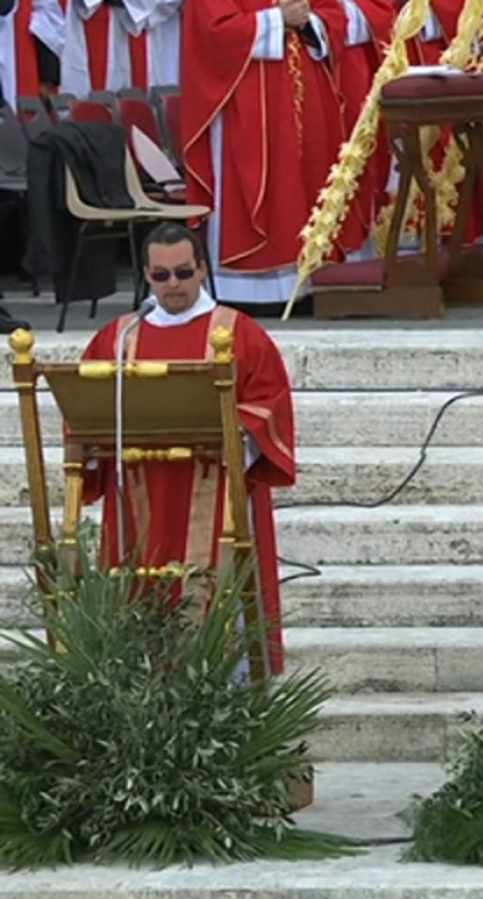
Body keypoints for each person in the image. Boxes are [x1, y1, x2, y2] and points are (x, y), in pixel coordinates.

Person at [80, 223, 297, 675]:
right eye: (161, 276)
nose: (173, 284)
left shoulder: (239, 333)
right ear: (146, 276)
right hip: (139, 491)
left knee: (215, 587)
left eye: (183, 272)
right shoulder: (119, 337)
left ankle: (228, 684)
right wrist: (93, 445)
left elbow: (269, 405)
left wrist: (231, 436)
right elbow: (84, 408)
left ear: (202, 270)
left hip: (216, 488)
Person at [181, 0, 347, 308]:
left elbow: (333, 14)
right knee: (257, 179)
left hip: (305, 86)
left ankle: (306, 282)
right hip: (247, 92)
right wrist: (278, 19)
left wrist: (309, 21)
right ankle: (246, 291)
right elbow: (214, 31)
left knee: (306, 181)